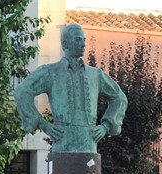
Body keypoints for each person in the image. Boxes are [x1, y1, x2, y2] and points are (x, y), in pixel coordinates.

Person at [15, 24, 127, 153]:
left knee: (88, 171)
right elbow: (21, 92)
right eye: (78, 39)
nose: (83, 44)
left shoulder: (95, 75)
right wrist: (43, 124)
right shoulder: (50, 72)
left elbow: (119, 98)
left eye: (84, 40)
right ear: (65, 44)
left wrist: (105, 126)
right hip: (62, 139)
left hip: (88, 141)